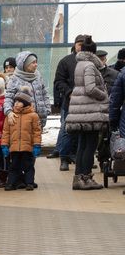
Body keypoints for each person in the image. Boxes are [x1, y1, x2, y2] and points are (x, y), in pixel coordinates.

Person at [66, 35, 109, 190]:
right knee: (89, 145)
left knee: (83, 145)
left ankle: (79, 178)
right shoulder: (90, 66)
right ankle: (85, 176)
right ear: (93, 53)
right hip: (89, 111)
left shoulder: (80, 64)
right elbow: (90, 88)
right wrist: (104, 95)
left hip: (81, 110)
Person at [53, 34, 87, 167]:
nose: (81, 47)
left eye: (84, 45)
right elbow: (58, 81)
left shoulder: (91, 62)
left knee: (84, 131)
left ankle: (80, 157)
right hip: (70, 103)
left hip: (87, 104)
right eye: (79, 44)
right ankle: (64, 158)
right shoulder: (66, 61)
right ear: (75, 45)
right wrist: (69, 92)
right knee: (68, 130)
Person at [1, 87, 42, 191]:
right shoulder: (11, 116)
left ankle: (29, 183)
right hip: (14, 147)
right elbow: (6, 131)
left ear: (26, 103)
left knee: (28, 166)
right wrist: (5, 144)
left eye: (20, 102)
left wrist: (37, 145)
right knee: (13, 166)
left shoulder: (33, 116)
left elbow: (36, 131)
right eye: (15, 101)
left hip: (27, 147)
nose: (16, 103)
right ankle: (11, 183)